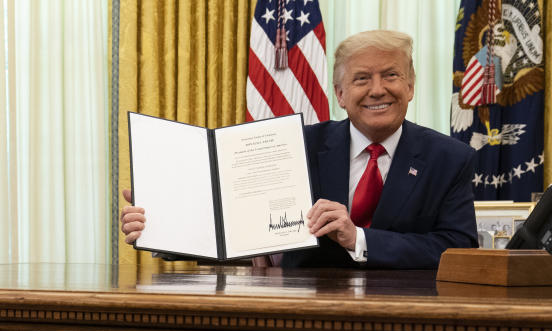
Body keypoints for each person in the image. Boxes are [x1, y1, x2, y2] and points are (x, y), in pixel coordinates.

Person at [120, 30, 478, 269]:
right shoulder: (295, 146)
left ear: (411, 86)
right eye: (361, 79)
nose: (377, 89)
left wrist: (360, 239)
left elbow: (459, 251)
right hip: (302, 317)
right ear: (339, 94)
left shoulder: (449, 158)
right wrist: (162, 226)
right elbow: (233, 225)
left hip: (408, 321)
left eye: (391, 75)